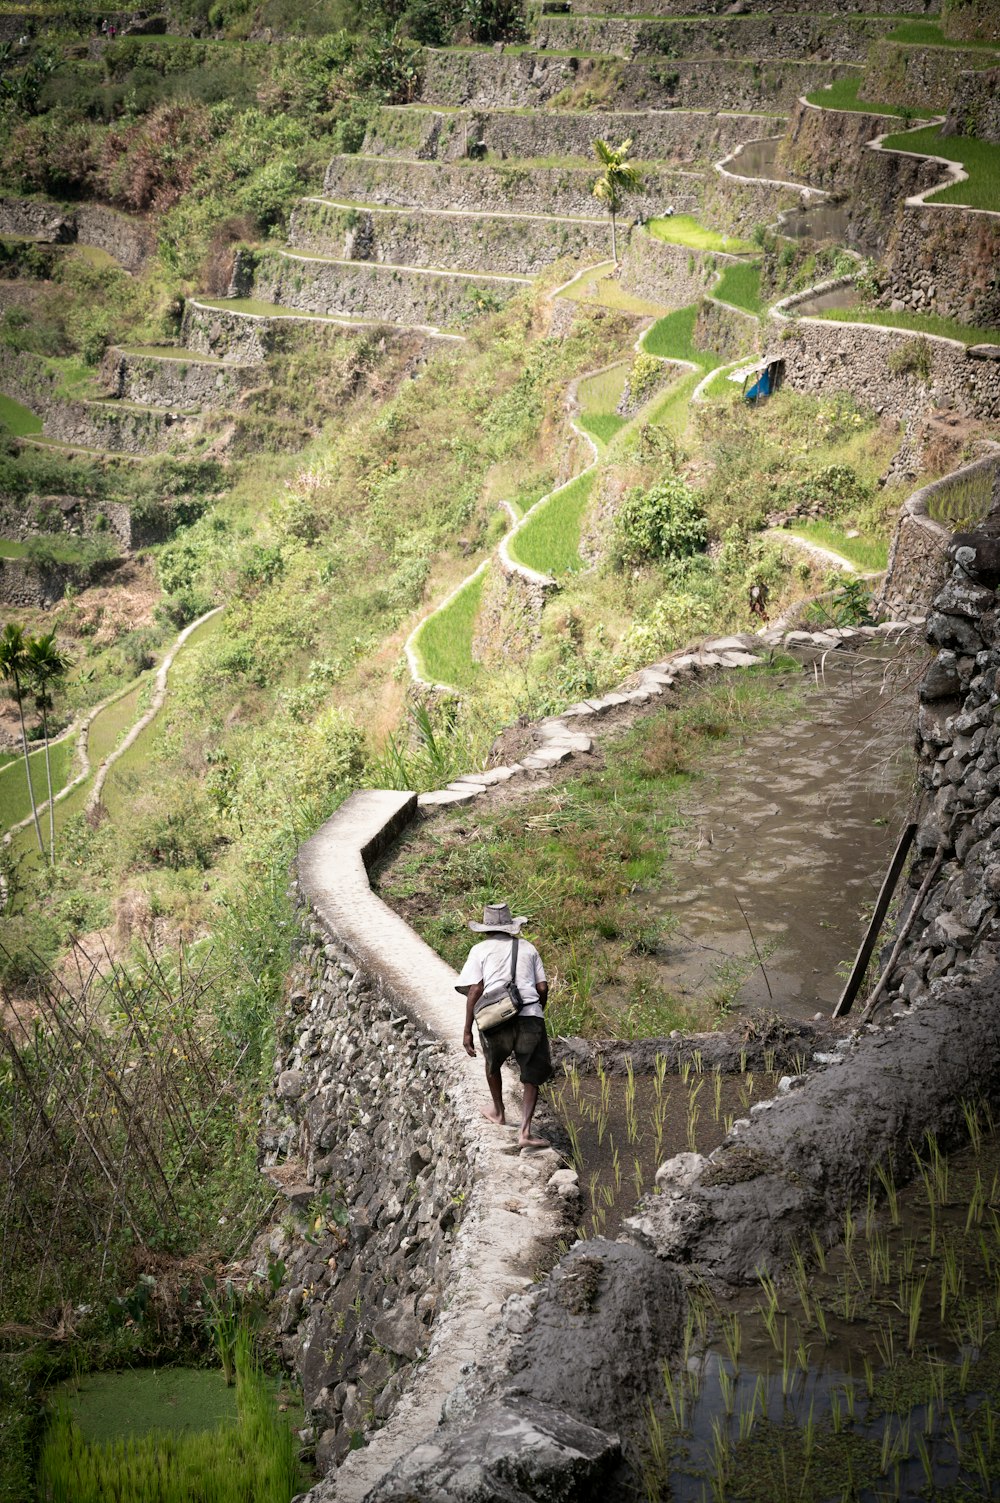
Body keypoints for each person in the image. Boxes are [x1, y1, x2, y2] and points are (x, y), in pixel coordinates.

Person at [455, 902, 553, 1149]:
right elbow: (542, 987)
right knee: (531, 1075)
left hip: (496, 1017)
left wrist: (467, 1030)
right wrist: (536, 1011)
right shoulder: (529, 948)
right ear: (511, 927)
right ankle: (525, 1132)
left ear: (485, 929)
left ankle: (498, 1111)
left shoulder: (479, 950)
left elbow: (475, 989)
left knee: (492, 1064)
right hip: (530, 1014)